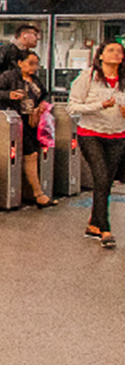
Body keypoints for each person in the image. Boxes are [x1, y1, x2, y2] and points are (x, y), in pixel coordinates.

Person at [67, 40, 125, 249]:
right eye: (111, 50)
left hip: (118, 135)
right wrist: (100, 105)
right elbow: (72, 107)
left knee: (106, 182)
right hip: (91, 134)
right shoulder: (88, 77)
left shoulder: (123, 80)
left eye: (119, 51)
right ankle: (105, 228)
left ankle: (93, 224)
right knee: (101, 177)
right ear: (100, 56)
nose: (116, 54)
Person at [0, 50, 55, 208]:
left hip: (32, 122)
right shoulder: (9, 77)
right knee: (31, 155)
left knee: (32, 154)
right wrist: (10, 95)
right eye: (30, 63)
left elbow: (46, 95)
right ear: (20, 63)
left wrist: (42, 105)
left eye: (36, 64)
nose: (34, 67)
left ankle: (30, 192)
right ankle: (38, 194)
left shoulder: (35, 80)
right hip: (14, 121)